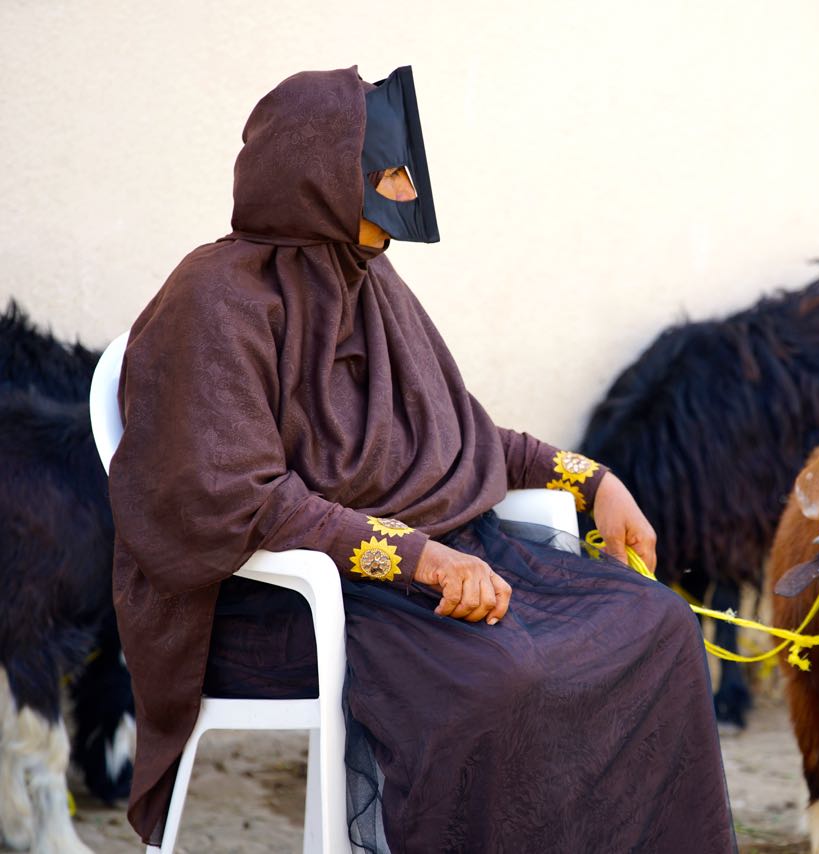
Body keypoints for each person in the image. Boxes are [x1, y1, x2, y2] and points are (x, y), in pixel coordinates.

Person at [110, 65, 735, 853]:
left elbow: (456, 434)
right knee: (502, 679)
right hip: (281, 603)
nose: (404, 189)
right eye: (388, 170)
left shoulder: (367, 279)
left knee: (658, 623)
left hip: (429, 569)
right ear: (319, 175)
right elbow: (241, 499)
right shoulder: (213, 298)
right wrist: (420, 559)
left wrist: (591, 480)